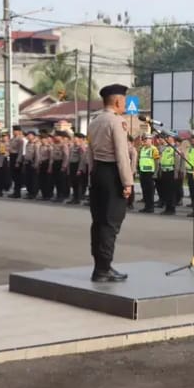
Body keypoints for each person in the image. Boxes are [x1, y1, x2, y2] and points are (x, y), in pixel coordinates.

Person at [87, 84, 134, 282]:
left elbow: (89, 153)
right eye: (123, 101)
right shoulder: (117, 122)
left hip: (97, 171)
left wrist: (92, 174)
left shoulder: (94, 121)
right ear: (117, 101)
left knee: (98, 222)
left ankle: (101, 265)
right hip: (112, 173)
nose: (124, 104)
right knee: (110, 223)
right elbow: (122, 155)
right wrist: (127, 182)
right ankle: (103, 269)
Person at [159, 131, 181, 215]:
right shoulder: (165, 148)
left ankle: (171, 209)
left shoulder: (175, 148)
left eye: (168, 137)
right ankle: (167, 208)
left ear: (172, 138)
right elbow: (162, 159)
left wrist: (176, 173)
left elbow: (177, 161)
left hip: (171, 171)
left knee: (171, 192)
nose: (167, 138)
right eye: (167, 137)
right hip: (164, 171)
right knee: (166, 191)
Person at [138, 134, 159, 213]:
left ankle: (150, 207)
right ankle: (146, 206)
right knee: (145, 190)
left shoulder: (154, 149)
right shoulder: (142, 149)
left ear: (151, 140)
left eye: (146, 139)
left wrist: (156, 173)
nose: (144, 141)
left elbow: (157, 162)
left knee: (150, 191)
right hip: (143, 172)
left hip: (150, 172)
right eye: (144, 139)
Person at [67, 133, 87, 205]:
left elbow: (82, 159)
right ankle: (74, 198)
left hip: (77, 165)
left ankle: (77, 198)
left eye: (75, 137)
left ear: (80, 139)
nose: (73, 139)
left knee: (78, 183)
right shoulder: (73, 147)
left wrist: (80, 169)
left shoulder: (81, 147)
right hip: (72, 165)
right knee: (74, 183)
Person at [50, 131, 69, 202]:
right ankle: (58, 195)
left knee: (61, 181)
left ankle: (62, 196)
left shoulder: (64, 145)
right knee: (56, 180)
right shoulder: (55, 144)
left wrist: (64, 166)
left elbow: (66, 156)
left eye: (56, 136)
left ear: (61, 137)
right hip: (55, 163)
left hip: (61, 163)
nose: (54, 137)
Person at [8, 125, 26, 198]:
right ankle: (15, 191)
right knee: (13, 176)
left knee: (17, 176)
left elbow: (20, 151)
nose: (14, 132)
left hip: (17, 157)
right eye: (13, 130)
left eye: (15, 130)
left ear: (19, 131)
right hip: (12, 157)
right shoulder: (12, 139)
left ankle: (17, 192)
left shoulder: (20, 140)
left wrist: (18, 161)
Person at [23, 131, 40, 200]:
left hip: (33, 163)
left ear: (33, 136)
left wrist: (36, 164)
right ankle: (29, 192)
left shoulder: (36, 144)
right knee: (28, 179)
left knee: (33, 179)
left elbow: (37, 155)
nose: (28, 137)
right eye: (27, 135)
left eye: (30, 135)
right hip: (27, 162)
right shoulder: (28, 143)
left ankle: (33, 193)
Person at [37, 132, 53, 200]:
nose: (42, 140)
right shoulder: (40, 146)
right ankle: (43, 194)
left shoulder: (50, 147)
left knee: (47, 181)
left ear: (46, 139)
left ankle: (48, 195)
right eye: (41, 139)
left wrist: (50, 167)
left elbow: (51, 158)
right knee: (41, 180)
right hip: (41, 164)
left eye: (43, 139)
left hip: (47, 164)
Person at [127, 135, 137, 210]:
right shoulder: (124, 148)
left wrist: (132, 172)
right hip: (124, 170)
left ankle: (130, 203)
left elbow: (133, 162)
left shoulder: (132, 150)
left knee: (130, 187)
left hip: (130, 171)